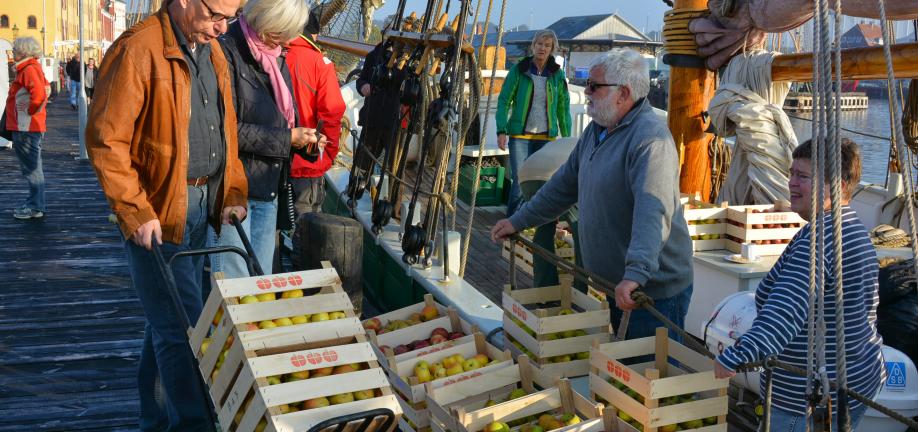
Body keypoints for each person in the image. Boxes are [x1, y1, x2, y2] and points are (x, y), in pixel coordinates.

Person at [84, 0, 248, 429]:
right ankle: (194, 425)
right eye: (216, 14)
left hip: (200, 208)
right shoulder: (138, 49)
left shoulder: (213, 52)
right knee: (183, 331)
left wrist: (231, 190)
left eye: (230, 17)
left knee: (167, 321)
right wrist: (136, 212)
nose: (222, 26)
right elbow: (106, 141)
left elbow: (223, 130)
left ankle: (154, 421)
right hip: (157, 211)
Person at [490, 48, 694, 340]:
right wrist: (518, 221)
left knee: (650, 377)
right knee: (627, 372)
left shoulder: (651, 141)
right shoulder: (598, 130)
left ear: (623, 93)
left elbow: (652, 213)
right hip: (617, 284)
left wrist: (636, 273)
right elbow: (563, 185)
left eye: (594, 86)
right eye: (587, 84)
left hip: (650, 292)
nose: (585, 92)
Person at [715, 139, 885, 432]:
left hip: (808, 397)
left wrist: (737, 356)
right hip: (857, 378)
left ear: (838, 185)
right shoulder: (852, 228)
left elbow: (785, 312)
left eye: (803, 177)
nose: (791, 183)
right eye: (791, 173)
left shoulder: (819, 241)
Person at [211, 0, 316, 277]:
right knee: (234, 283)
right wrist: (286, 139)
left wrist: (304, 141)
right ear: (266, 23)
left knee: (260, 282)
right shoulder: (227, 50)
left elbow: (284, 116)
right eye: (283, 32)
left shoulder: (275, 56)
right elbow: (225, 130)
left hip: (269, 188)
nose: (288, 40)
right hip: (234, 190)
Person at [495, 29, 571, 217]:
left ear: (552, 48)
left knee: (541, 185)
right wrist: (501, 130)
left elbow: (563, 107)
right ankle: (511, 227)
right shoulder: (519, 70)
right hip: (520, 136)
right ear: (533, 46)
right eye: (539, 44)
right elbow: (504, 101)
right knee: (519, 183)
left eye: (547, 45)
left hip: (546, 138)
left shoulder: (557, 75)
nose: (542, 48)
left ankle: (531, 227)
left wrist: (567, 138)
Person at [285, 9, 346, 216]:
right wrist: (326, 157)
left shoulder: (273, 54)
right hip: (306, 166)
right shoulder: (320, 63)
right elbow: (332, 114)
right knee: (306, 237)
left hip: (271, 163)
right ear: (314, 34)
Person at [349, 38, 402, 200]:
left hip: (395, 121)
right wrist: (363, 86)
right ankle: (354, 193)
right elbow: (362, 79)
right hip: (372, 117)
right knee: (363, 161)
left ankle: (391, 205)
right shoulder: (374, 56)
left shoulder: (406, 60)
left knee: (394, 166)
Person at [6, 37, 50, 220]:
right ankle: (35, 203)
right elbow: (46, 89)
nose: (12, 53)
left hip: (26, 127)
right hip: (28, 126)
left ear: (23, 52)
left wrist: (29, 110)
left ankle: (35, 207)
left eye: (14, 49)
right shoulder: (32, 68)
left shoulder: (28, 69)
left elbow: (40, 94)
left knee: (31, 168)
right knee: (33, 167)